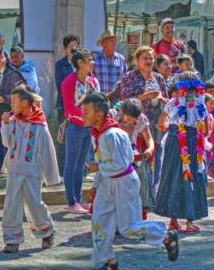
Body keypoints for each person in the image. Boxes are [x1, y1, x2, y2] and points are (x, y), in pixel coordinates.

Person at [81, 93, 178, 270]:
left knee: (128, 227)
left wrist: (97, 167)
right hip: (107, 182)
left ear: (99, 114)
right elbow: (105, 163)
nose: (83, 115)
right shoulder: (98, 134)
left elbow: (121, 163)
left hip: (124, 181)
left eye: (86, 111)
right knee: (99, 221)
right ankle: (108, 260)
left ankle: (165, 236)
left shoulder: (113, 135)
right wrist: (96, 185)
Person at [0, 86, 59, 252]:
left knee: (34, 203)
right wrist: (5, 125)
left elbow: (47, 151)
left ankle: (47, 231)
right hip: (14, 168)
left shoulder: (39, 126)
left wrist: (51, 176)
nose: (11, 105)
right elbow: (8, 143)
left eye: (14, 102)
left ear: (24, 103)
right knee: (11, 204)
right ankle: (12, 240)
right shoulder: (13, 122)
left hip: (32, 170)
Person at [155, 72, 209, 233]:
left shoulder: (173, 102)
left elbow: (160, 121)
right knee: (191, 176)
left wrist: (168, 127)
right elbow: (204, 126)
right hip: (192, 143)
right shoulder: (200, 103)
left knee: (173, 177)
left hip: (174, 142)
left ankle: (173, 220)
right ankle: (189, 222)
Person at [118, 46, 168, 187]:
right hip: (136, 123)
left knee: (156, 155)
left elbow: (167, 100)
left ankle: (153, 189)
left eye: (151, 58)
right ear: (137, 60)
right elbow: (125, 101)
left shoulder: (158, 78)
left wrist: (161, 99)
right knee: (138, 154)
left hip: (157, 121)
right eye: (144, 58)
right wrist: (145, 96)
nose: (148, 61)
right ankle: (136, 187)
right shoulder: (130, 77)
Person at [61, 48, 100, 214]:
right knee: (71, 163)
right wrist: (88, 116)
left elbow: (98, 100)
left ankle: (78, 198)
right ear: (80, 63)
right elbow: (69, 108)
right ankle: (71, 201)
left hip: (88, 128)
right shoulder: (69, 82)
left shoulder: (92, 81)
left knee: (81, 164)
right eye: (89, 59)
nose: (93, 62)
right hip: (75, 127)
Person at [109, 98, 155, 220]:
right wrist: (122, 127)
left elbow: (149, 138)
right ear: (122, 113)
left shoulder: (141, 118)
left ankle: (132, 217)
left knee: (133, 187)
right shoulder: (113, 114)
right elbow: (104, 126)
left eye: (134, 122)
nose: (131, 123)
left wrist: (150, 149)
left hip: (131, 152)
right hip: (113, 152)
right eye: (128, 119)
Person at [0, 48, 26, 176]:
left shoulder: (13, 73)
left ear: (0, 59)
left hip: (9, 110)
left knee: (11, 138)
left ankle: (12, 165)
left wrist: (5, 98)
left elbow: (21, 93)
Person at [55, 34, 80, 173]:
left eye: (76, 47)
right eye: (71, 47)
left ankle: (78, 168)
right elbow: (60, 86)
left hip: (80, 108)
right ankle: (61, 169)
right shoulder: (60, 64)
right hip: (64, 106)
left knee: (79, 137)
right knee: (63, 136)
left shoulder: (81, 63)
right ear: (65, 49)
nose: (73, 50)